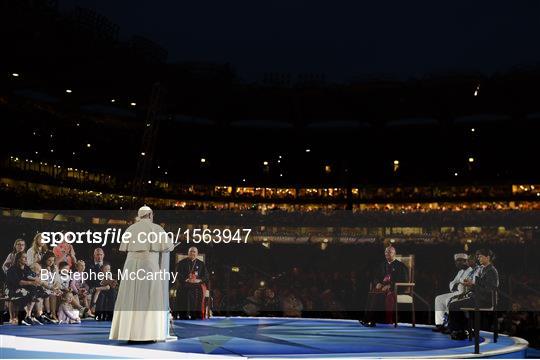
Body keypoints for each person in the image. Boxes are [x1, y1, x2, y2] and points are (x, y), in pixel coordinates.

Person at [109, 206, 174, 342]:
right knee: (149, 298)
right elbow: (169, 246)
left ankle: (129, 334)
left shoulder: (131, 229)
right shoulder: (156, 228)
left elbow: (124, 248)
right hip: (149, 264)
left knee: (130, 297)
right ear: (150, 214)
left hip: (131, 265)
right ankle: (148, 334)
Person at [447, 249, 499, 340]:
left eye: (481, 257)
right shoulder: (484, 269)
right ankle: (462, 330)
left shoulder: (491, 270)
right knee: (456, 304)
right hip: (479, 297)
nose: (478, 258)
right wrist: (472, 284)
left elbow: (489, 289)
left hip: (485, 300)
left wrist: (473, 286)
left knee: (453, 305)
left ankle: (459, 331)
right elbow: (480, 285)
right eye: (478, 257)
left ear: (488, 257)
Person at [362, 246, 408, 326]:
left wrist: (391, 285)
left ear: (394, 254)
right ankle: (367, 319)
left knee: (380, 296)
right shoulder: (382, 265)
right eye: (386, 252)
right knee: (372, 294)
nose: (387, 254)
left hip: (396, 288)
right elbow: (376, 277)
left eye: (390, 252)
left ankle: (375, 320)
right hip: (382, 288)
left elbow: (404, 280)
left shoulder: (401, 266)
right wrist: (377, 283)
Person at [433, 253, 472, 332]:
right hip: (457, 292)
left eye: (460, 261)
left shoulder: (471, 271)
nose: (458, 263)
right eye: (457, 261)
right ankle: (439, 324)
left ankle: (450, 325)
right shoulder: (460, 272)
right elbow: (452, 283)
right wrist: (457, 285)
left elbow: (465, 285)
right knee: (438, 298)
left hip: (466, 294)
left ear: (466, 261)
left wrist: (458, 284)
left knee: (449, 300)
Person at [175, 247, 209, 320]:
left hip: (196, 285)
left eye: (194, 252)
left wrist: (198, 280)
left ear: (197, 254)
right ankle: (183, 315)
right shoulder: (181, 263)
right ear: (188, 253)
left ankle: (195, 315)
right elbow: (177, 274)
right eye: (190, 251)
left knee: (196, 293)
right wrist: (186, 279)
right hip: (185, 284)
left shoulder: (201, 264)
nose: (192, 253)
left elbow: (206, 276)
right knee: (183, 292)